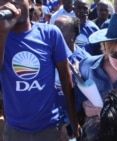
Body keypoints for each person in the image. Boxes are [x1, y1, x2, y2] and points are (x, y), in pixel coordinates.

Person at [0, 0, 79, 140]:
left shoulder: (50, 34)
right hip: (14, 131)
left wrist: (73, 119)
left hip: (49, 129)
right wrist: (3, 32)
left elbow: (66, 80)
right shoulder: (2, 37)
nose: (12, 2)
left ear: (30, 3)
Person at [54, 15, 90, 141]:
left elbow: (88, 96)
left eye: (60, 29)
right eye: (53, 27)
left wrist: (72, 121)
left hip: (75, 121)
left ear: (73, 34)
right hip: (50, 121)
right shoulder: (45, 57)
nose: (54, 31)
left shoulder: (86, 60)